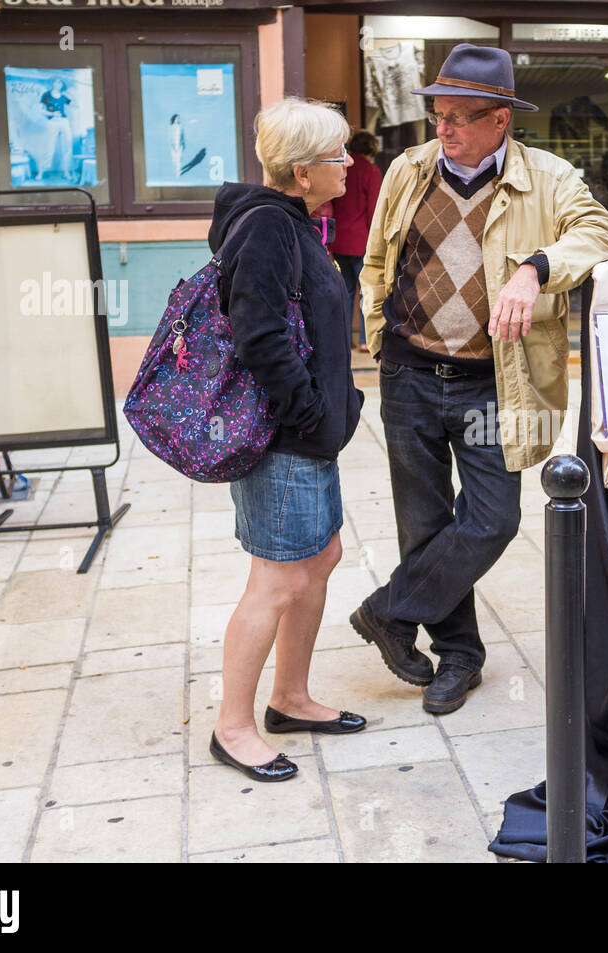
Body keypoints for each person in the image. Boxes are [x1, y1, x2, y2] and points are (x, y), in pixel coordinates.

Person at [353, 44, 608, 714]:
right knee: (423, 522)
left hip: (493, 380)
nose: (443, 130)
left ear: (501, 119)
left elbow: (601, 234)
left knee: (493, 520)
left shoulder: (550, 179)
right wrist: (378, 332)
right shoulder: (409, 169)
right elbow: (379, 257)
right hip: (411, 370)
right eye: (438, 115)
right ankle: (460, 656)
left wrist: (535, 268)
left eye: (460, 118)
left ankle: (389, 609)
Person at [206, 98, 366, 781]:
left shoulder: (294, 220)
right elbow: (262, 336)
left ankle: (290, 697)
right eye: (338, 157)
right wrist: (306, 412)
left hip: (309, 435)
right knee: (276, 580)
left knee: (320, 557)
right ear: (302, 172)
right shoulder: (267, 229)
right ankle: (232, 726)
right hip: (285, 440)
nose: (351, 165)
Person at [331, 131, 383, 352]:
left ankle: (344, 339)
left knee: (346, 291)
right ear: (371, 150)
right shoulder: (371, 171)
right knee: (367, 291)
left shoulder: (341, 169)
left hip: (340, 240)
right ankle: (365, 340)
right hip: (362, 241)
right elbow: (375, 210)